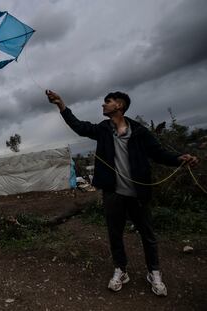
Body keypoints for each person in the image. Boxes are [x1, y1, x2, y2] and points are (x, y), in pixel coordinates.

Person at [46, 90, 199, 296]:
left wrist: (180, 159)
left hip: (138, 193)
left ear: (119, 105)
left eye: (107, 102)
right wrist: (61, 105)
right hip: (113, 193)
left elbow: (159, 154)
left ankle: (154, 272)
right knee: (115, 234)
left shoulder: (139, 132)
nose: (103, 105)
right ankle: (121, 270)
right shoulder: (102, 129)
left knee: (148, 235)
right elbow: (80, 127)